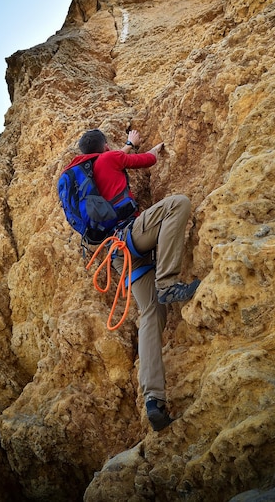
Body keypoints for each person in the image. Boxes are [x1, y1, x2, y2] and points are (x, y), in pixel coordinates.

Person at [67, 128, 200, 431]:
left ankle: (153, 399)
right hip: (133, 235)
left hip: (117, 255)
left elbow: (120, 156)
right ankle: (167, 283)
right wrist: (151, 148)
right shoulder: (111, 158)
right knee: (177, 204)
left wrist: (127, 145)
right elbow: (147, 160)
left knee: (151, 314)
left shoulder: (82, 176)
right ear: (104, 146)